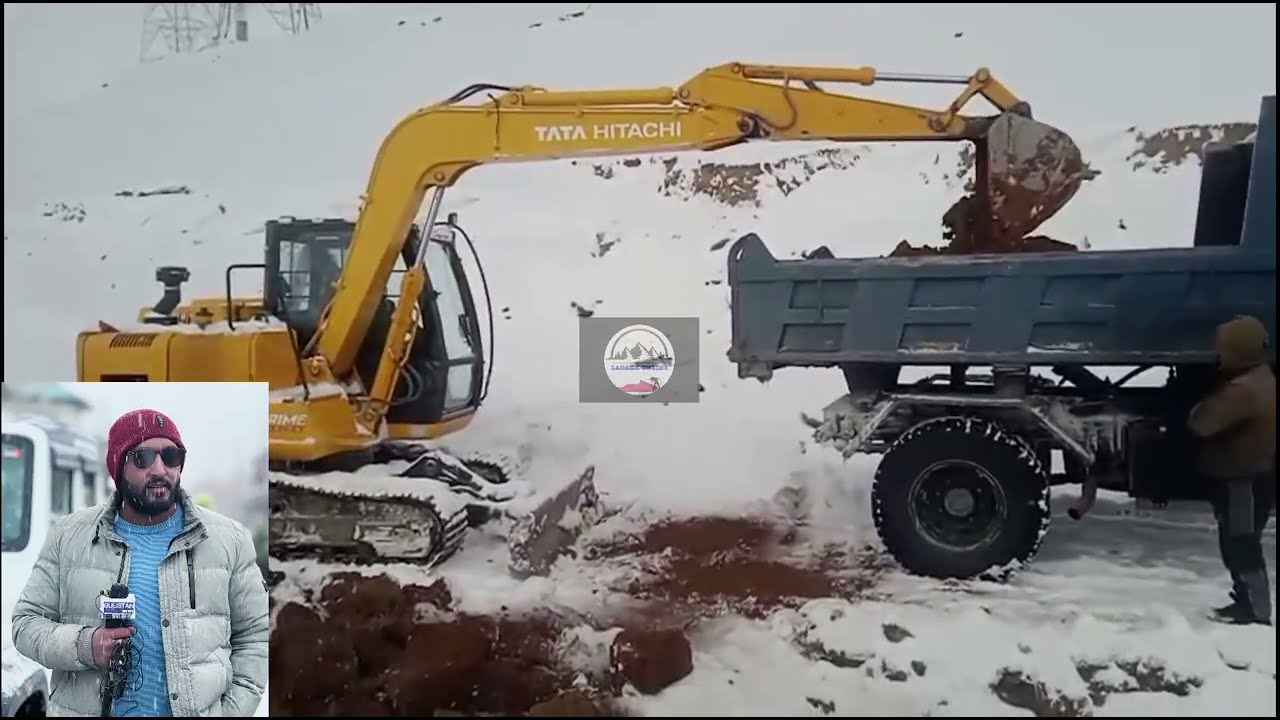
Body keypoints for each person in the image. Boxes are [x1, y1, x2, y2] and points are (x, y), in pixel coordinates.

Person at [10, 408, 270, 716]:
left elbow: (256, 636)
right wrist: (85, 645)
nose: (160, 469)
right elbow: (25, 624)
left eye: (171, 456)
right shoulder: (68, 536)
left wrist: (231, 712)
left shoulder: (230, 540)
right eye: (143, 458)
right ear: (119, 467)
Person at [1187, 315, 1276, 626]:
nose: (1218, 354)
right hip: (1252, 475)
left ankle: (1255, 610)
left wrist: (1198, 403)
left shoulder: (1243, 390)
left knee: (1241, 543)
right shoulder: (1262, 376)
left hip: (1244, 480)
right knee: (1240, 540)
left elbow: (1202, 423)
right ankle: (1246, 601)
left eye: (1222, 348)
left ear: (1237, 350)